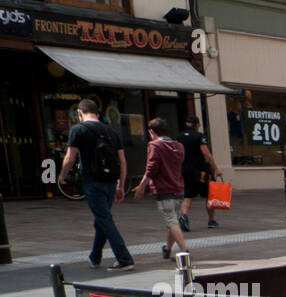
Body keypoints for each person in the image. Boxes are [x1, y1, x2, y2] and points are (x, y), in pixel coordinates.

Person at [60, 100, 134, 272]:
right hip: (110, 182)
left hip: (93, 182)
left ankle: (124, 259)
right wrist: (121, 185)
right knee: (102, 219)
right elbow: (122, 162)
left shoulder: (78, 130)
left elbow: (70, 157)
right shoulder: (112, 132)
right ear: (98, 114)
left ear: (79, 113)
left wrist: (62, 175)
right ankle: (95, 257)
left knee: (104, 219)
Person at [133, 118, 188, 261]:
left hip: (164, 189)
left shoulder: (155, 146)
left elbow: (151, 169)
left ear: (152, 132)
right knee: (173, 220)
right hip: (178, 188)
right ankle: (168, 249)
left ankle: (184, 250)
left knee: (171, 221)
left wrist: (141, 186)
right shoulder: (178, 145)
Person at [178, 115, 222, 231]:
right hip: (201, 171)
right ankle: (211, 220)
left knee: (188, 196)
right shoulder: (199, 136)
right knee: (209, 195)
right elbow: (206, 154)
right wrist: (216, 168)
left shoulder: (179, 136)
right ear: (197, 125)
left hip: (185, 170)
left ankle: (184, 216)